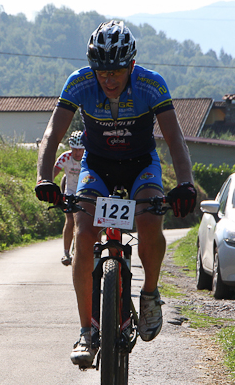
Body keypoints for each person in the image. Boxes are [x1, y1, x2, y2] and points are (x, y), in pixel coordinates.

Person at [34, 20, 196, 368]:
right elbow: (52, 134)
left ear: (132, 65)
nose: (108, 79)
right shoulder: (79, 82)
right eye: (102, 71)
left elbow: (174, 138)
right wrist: (43, 177)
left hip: (141, 165)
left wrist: (186, 182)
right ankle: (86, 331)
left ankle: (149, 294)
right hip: (98, 166)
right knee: (83, 232)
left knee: (150, 220)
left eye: (117, 71)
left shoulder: (151, 84)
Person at [52, 130, 85, 266]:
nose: (77, 153)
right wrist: (48, 185)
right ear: (71, 147)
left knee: (84, 222)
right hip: (70, 192)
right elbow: (53, 172)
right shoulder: (65, 157)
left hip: (85, 193)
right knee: (70, 220)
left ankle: (86, 251)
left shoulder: (88, 158)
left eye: (80, 149)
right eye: (75, 149)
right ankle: (66, 253)